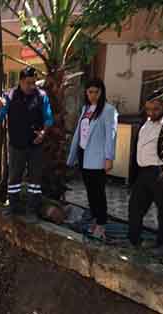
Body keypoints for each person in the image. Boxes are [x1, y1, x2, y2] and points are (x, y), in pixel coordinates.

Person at [128, 90, 163, 256]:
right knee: (135, 207)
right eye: (148, 109)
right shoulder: (145, 122)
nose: (151, 113)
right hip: (143, 173)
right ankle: (133, 240)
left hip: (160, 172)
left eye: (156, 109)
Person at [0, 66, 54, 223]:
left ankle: (32, 210)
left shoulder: (41, 96)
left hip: (35, 145)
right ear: (20, 81)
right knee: (14, 177)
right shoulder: (9, 96)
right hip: (16, 144)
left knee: (35, 180)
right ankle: (13, 206)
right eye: (28, 83)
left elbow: (48, 118)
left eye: (34, 83)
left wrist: (43, 133)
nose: (31, 86)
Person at [66, 78, 118, 240]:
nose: (93, 95)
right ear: (86, 93)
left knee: (98, 193)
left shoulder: (109, 110)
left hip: (98, 158)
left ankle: (101, 224)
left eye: (96, 92)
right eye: (90, 92)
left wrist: (109, 157)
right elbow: (80, 132)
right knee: (90, 191)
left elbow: (111, 135)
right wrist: (74, 153)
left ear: (101, 92)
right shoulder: (85, 109)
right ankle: (95, 221)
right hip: (84, 155)